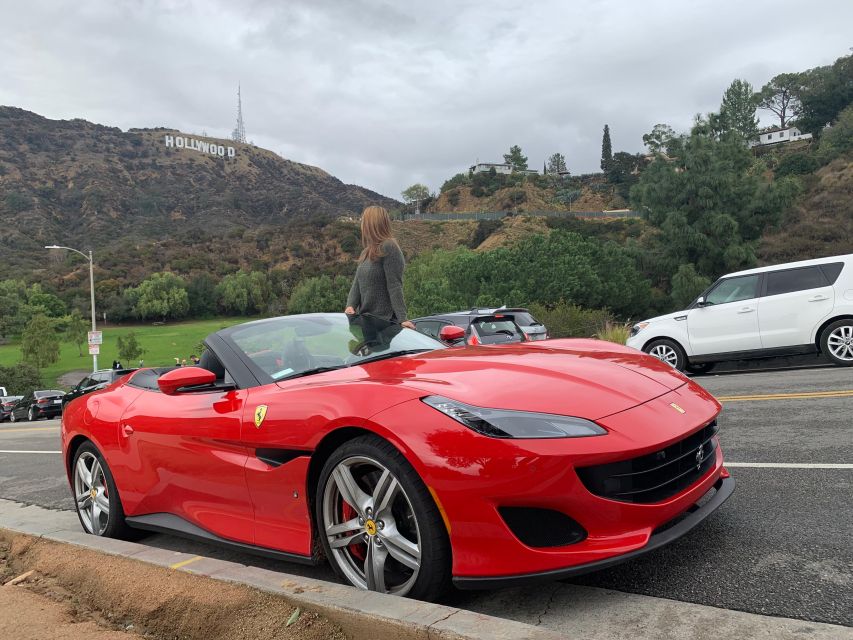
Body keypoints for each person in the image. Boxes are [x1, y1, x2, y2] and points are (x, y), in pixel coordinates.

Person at [345, 206, 414, 329]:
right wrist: (350, 306)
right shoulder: (365, 252)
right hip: (366, 321)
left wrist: (402, 318)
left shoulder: (389, 247)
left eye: (364, 221)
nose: (362, 225)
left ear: (372, 224)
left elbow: (394, 285)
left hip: (385, 322)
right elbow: (356, 284)